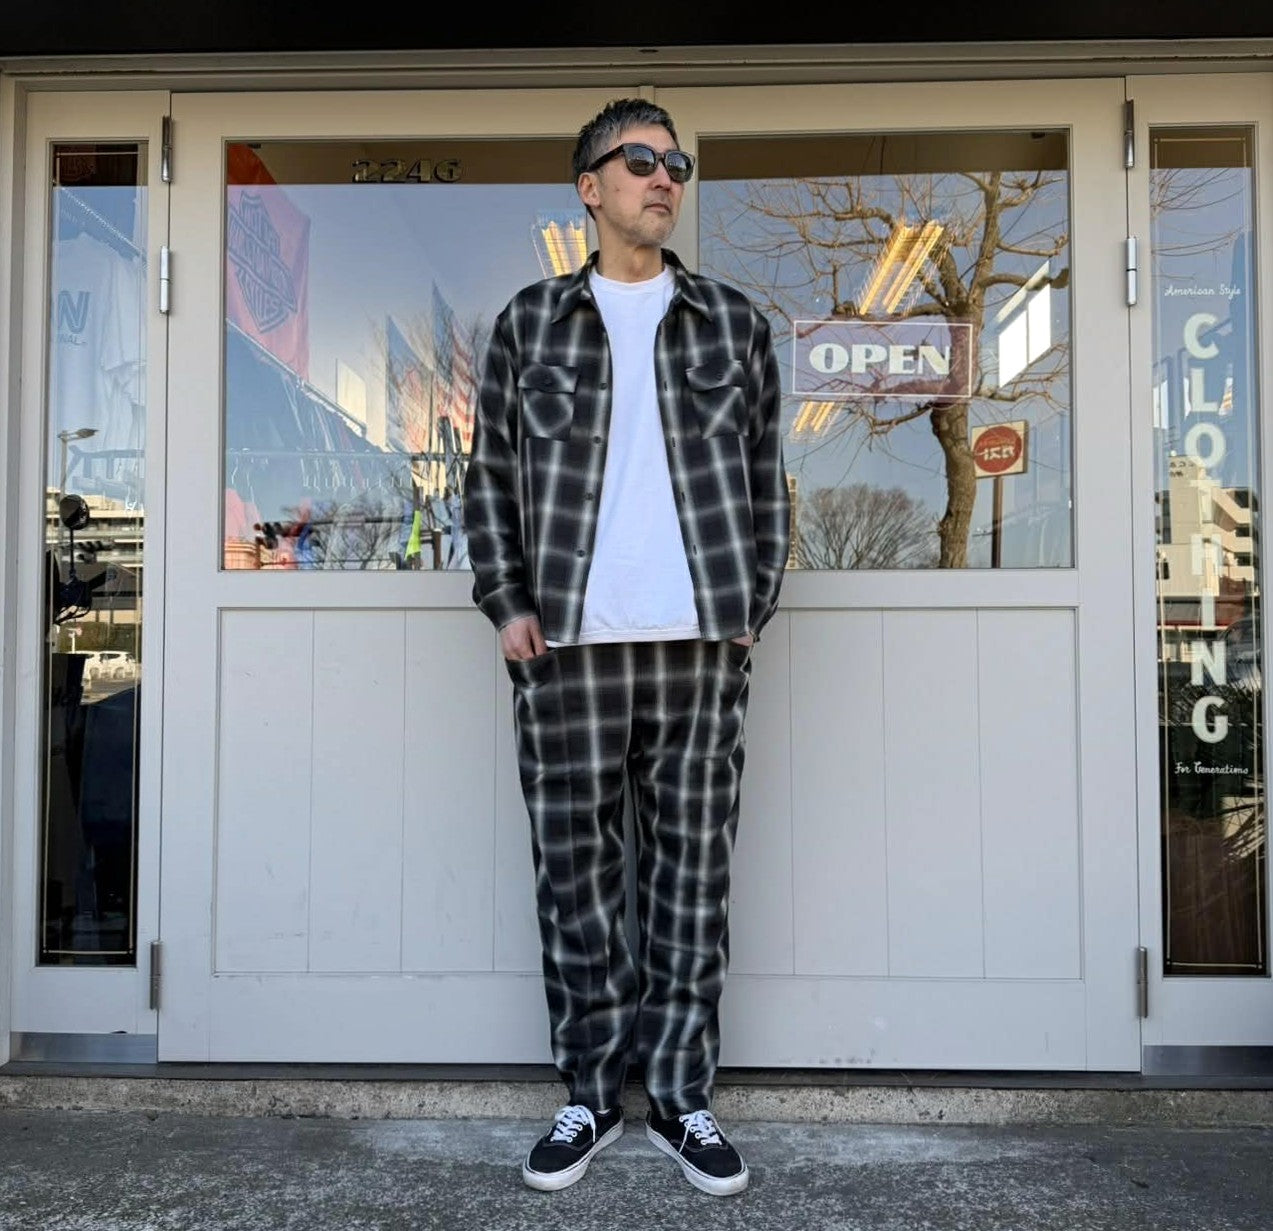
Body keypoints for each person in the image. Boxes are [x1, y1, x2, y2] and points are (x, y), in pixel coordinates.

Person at [463, 97, 790, 1198]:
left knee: (692, 876)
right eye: (639, 159)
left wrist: (753, 599)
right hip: (567, 648)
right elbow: (489, 478)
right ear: (589, 188)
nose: (663, 178)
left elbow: (764, 479)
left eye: (675, 162)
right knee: (578, 881)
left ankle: (683, 1099)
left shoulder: (732, 323)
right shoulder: (530, 323)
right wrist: (506, 601)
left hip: (699, 646)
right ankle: (592, 1095)